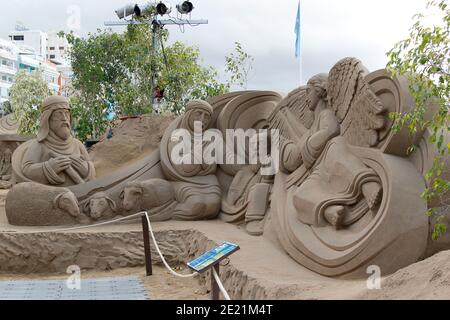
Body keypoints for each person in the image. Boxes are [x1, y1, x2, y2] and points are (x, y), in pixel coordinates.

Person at [280, 74, 382, 229]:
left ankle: (367, 184)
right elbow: (296, 153)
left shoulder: (326, 114)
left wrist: (308, 145)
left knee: (340, 158)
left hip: (331, 154)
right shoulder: (312, 125)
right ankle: (329, 210)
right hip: (318, 169)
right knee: (300, 195)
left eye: (308, 92)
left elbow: (331, 130)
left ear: (319, 91)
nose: (306, 97)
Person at [20, 96, 95, 186]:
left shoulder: (77, 144)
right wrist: (49, 167)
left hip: (82, 192)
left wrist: (86, 170)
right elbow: (26, 169)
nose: (64, 118)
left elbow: (90, 165)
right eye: (58, 114)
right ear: (47, 119)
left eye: (66, 114)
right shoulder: (39, 144)